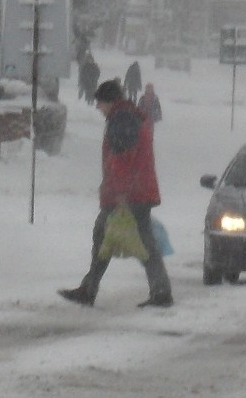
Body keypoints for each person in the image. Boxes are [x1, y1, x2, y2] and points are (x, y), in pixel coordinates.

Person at [58, 80, 173, 308]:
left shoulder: (123, 119)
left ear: (109, 101)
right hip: (134, 192)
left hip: (130, 195)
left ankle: (160, 293)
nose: (99, 108)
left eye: (100, 103)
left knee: (132, 242)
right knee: (108, 238)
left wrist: (120, 192)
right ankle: (90, 289)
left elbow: (122, 159)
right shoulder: (126, 116)